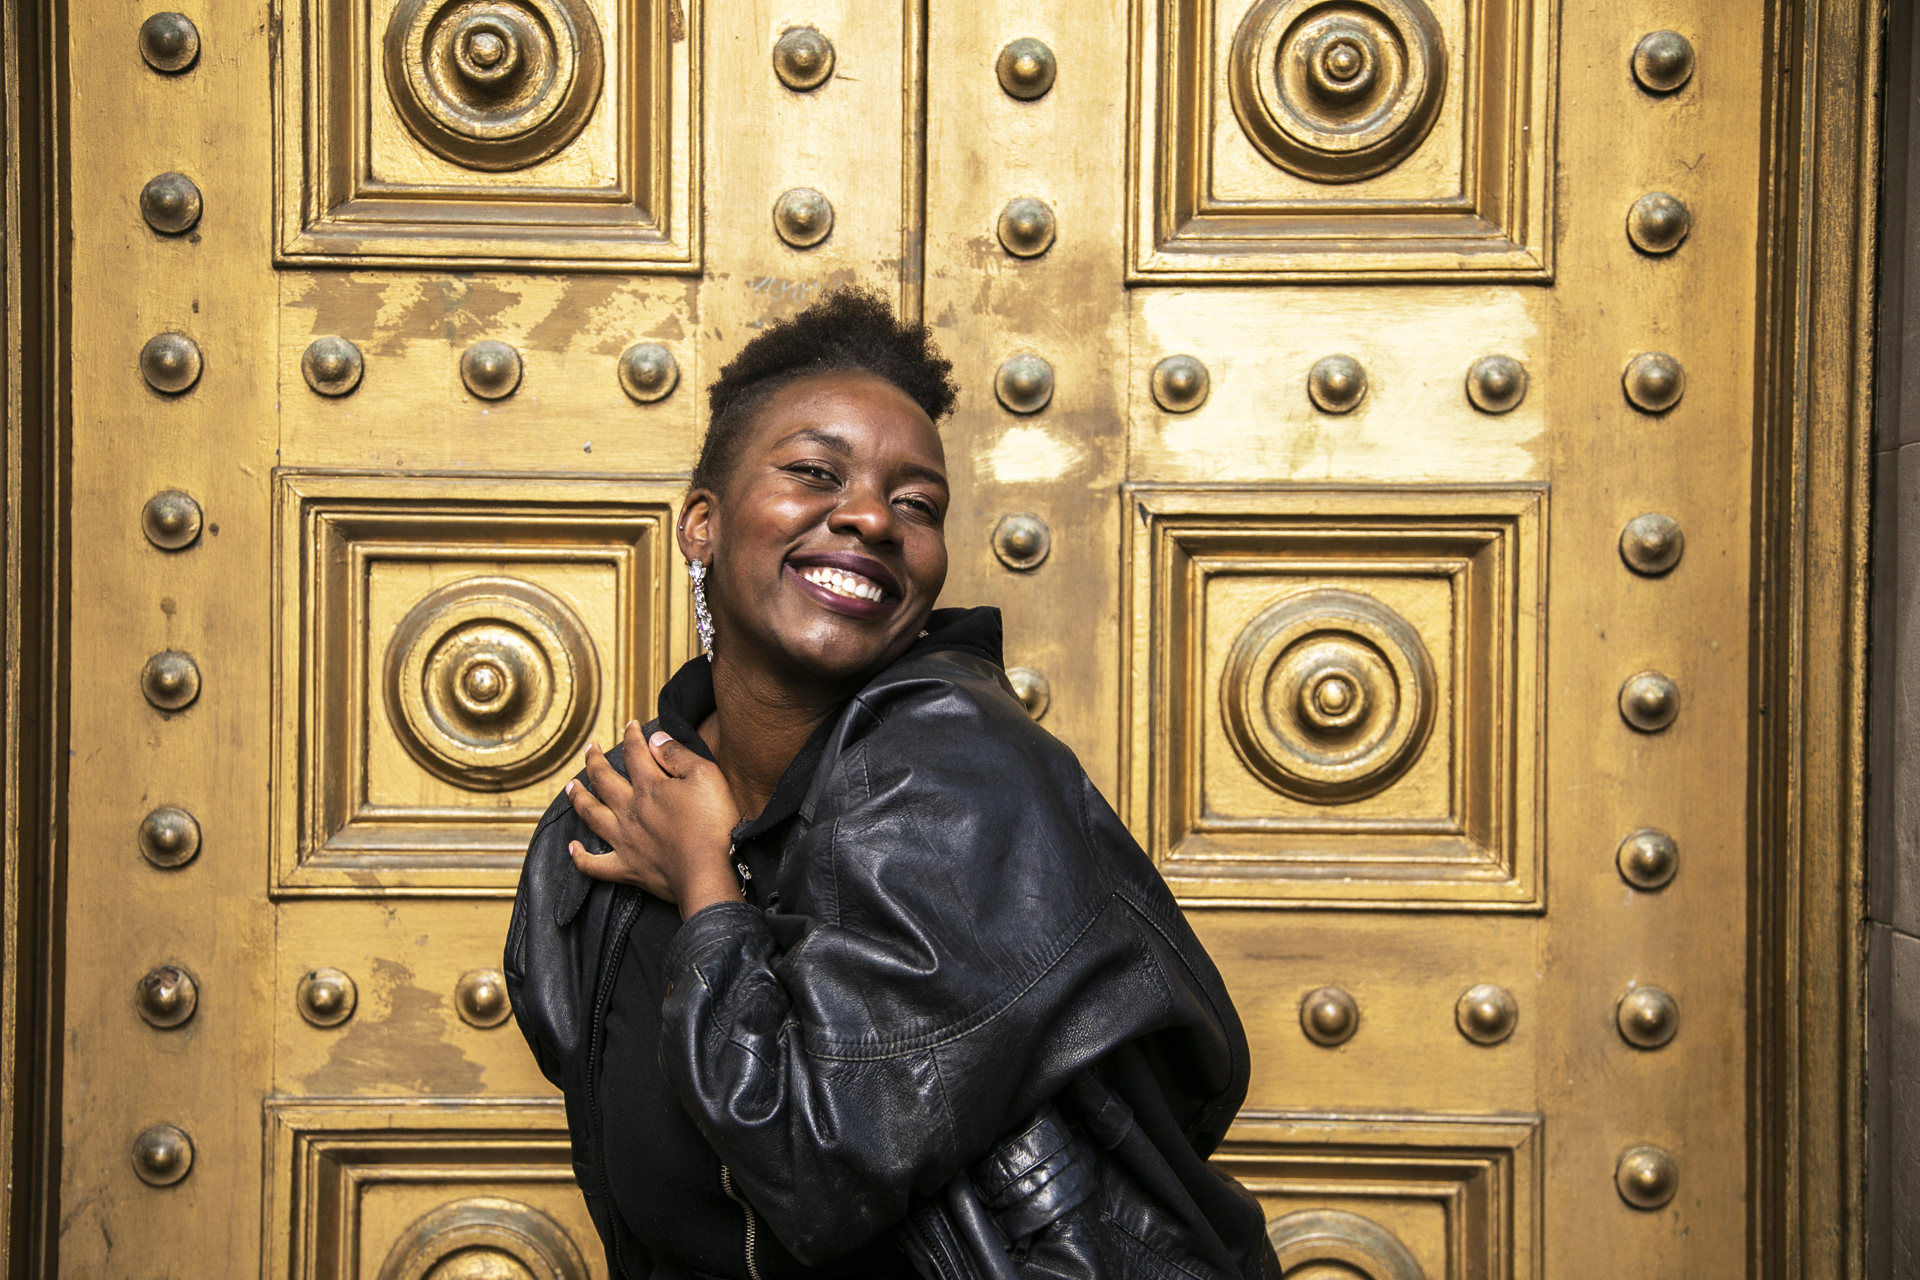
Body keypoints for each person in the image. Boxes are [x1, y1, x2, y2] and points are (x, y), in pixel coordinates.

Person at [505, 289, 1282, 1280]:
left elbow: (813, 1169)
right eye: (814, 472)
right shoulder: (596, 841)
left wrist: (708, 885)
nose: (872, 514)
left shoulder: (963, 775)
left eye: (917, 504)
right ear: (701, 522)